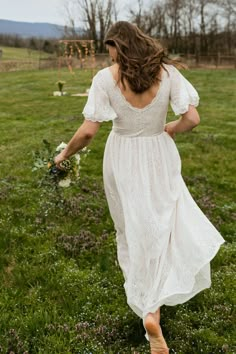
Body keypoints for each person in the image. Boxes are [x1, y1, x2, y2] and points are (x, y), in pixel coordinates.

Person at [55, 21, 225, 354]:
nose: (111, 56)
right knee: (163, 226)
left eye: (111, 49)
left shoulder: (105, 79)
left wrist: (63, 155)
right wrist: (171, 128)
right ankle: (153, 307)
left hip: (122, 158)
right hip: (159, 152)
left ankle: (150, 311)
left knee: (132, 230)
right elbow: (192, 119)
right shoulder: (168, 73)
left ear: (119, 46)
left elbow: (89, 132)